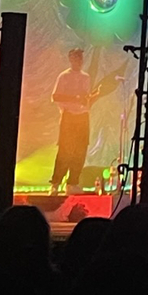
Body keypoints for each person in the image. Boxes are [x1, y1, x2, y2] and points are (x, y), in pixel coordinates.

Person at [50, 48, 99, 195]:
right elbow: (56, 96)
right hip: (69, 116)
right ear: (71, 59)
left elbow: (85, 99)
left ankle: (73, 182)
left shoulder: (86, 77)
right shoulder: (64, 76)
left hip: (83, 116)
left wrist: (94, 96)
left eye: (81, 58)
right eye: (76, 58)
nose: (79, 61)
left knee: (80, 150)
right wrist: (75, 98)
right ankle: (56, 182)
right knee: (65, 150)